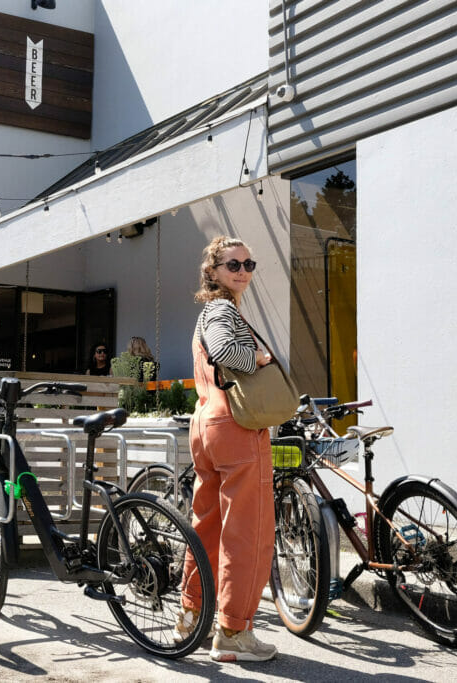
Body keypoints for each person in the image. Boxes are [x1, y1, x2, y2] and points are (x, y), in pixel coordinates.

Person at [177, 235, 278, 662]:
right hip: (236, 427)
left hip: (206, 423)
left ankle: (191, 613)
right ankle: (234, 631)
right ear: (213, 272)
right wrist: (255, 357)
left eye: (248, 264)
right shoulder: (221, 309)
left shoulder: (209, 312)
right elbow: (223, 351)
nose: (242, 271)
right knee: (248, 532)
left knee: (209, 524)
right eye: (233, 265)